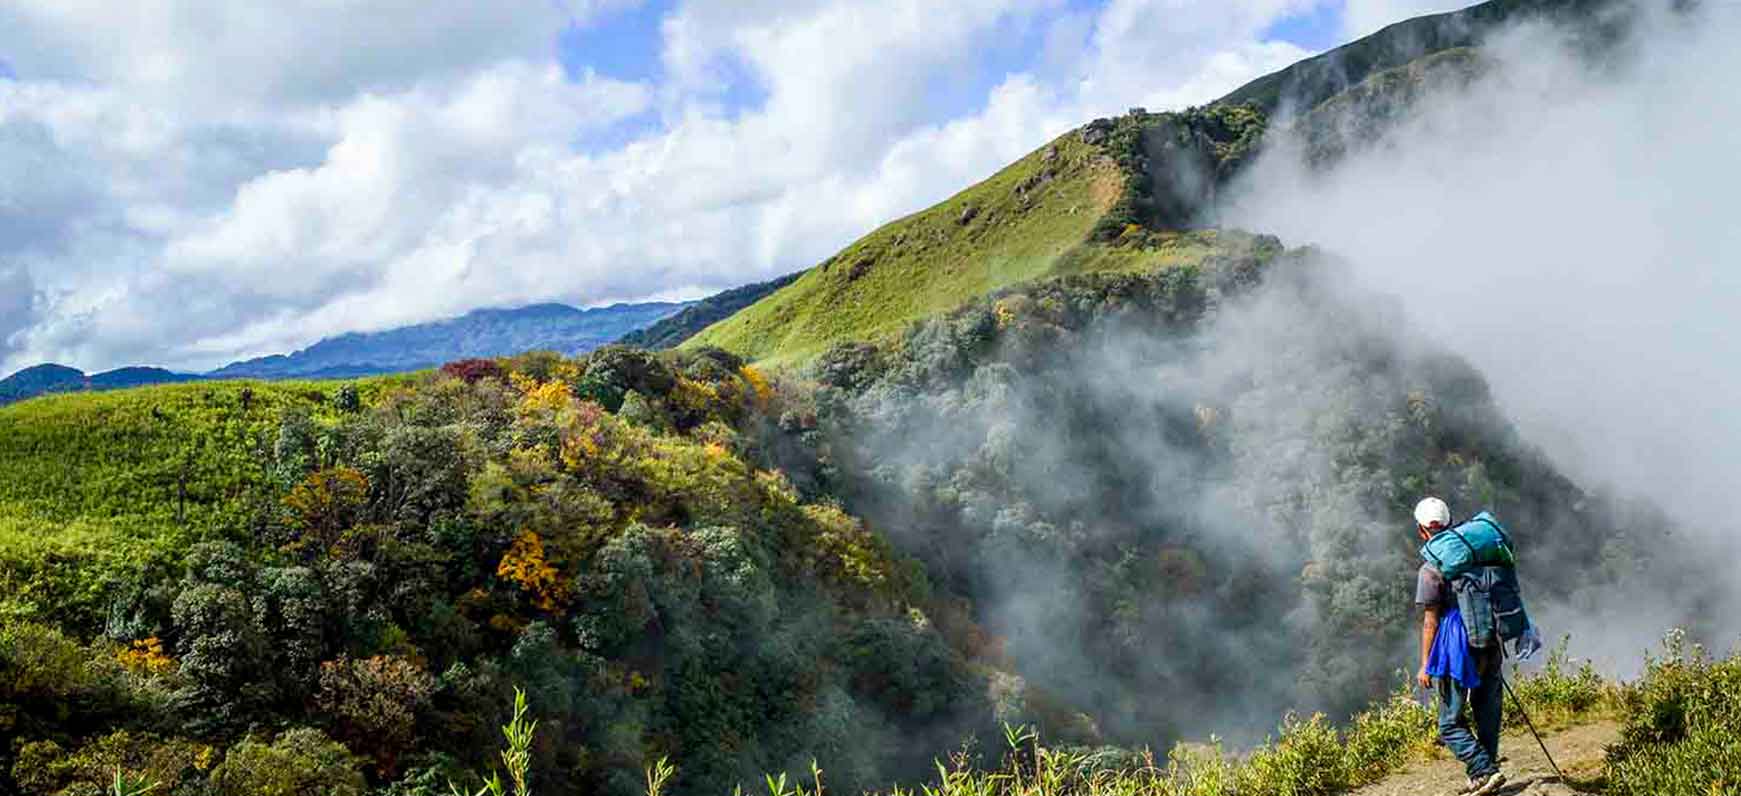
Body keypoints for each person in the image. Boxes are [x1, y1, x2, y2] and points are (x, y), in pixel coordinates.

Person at [1413, 496, 1507, 796]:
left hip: (1457, 649)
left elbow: (1431, 621)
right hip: (1490, 640)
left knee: (1449, 724)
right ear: (1451, 524)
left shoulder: (1431, 568)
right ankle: (1483, 776)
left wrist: (1426, 663)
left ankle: (1485, 770)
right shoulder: (1478, 555)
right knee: (1487, 713)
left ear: (1421, 530)